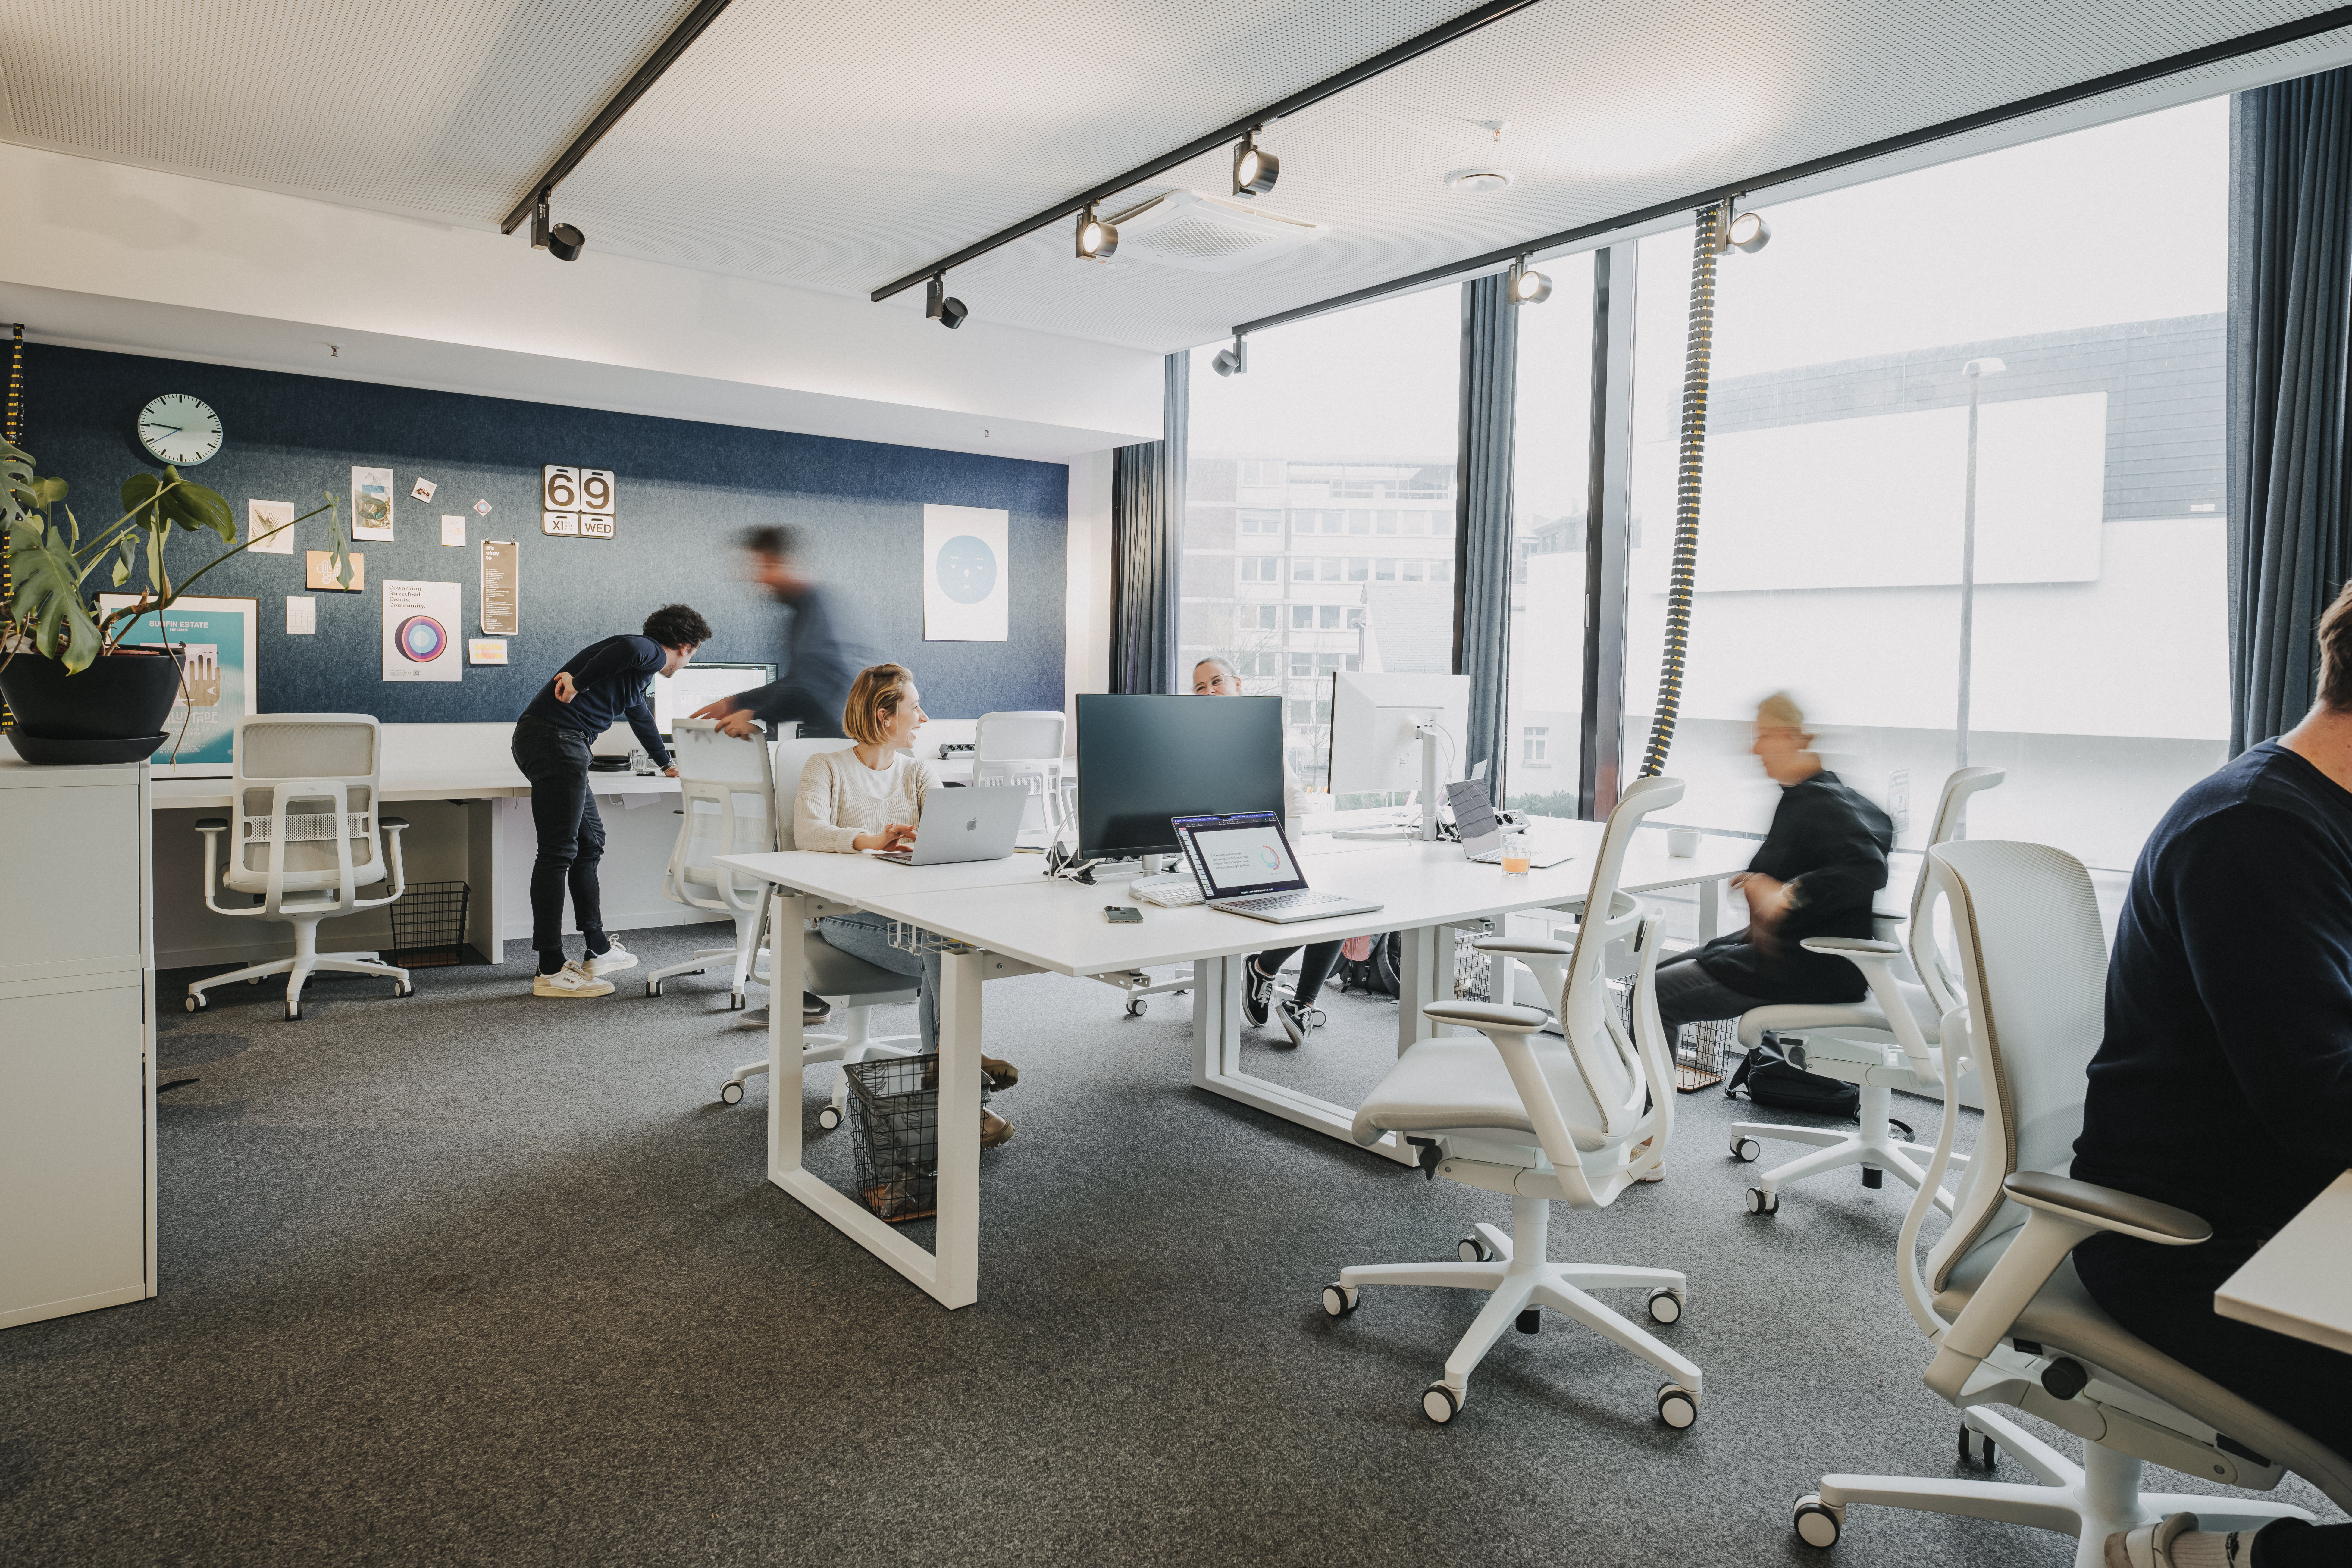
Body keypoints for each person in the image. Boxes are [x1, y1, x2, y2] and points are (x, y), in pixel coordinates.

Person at [2075, 590, 2352, 1568]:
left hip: (2291, 1223)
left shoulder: (2314, 819)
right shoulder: (2253, 832)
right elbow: (2317, 1101)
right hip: (2195, 1252)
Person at [794, 662, 1020, 1148]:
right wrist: (871, 840)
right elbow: (808, 832)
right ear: (884, 715)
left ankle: (948, 1071)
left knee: (945, 946)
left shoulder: (918, 771)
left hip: (910, 915)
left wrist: (929, 838)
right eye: (915, 708)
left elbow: (948, 832)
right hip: (844, 917)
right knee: (947, 951)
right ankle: (958, 1073)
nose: (924, 717)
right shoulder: (826, 766)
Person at [1652, 692, 1893, 1057]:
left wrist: (1790, 893)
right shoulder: (1813, 796)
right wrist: (1760, 883)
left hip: (1809, 968)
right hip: (1797, 957)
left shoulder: (1821, 802)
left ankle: (1649, 1096)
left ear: (1793, 738)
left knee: (1653, 996)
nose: (1755, 749)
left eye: (1765, 735)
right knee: (1652, 979)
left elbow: (1870, 868)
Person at [512, 604, 708, 998]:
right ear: (686, 647)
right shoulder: (646, 650)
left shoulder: (634, 676)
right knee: (557, 853)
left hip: (560, 744)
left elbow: (641, 718)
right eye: (692, 656)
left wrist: (667, 764)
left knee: (589, 843)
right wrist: (578, 684)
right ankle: (549, 968)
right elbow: (628, 650)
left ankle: (598, 948)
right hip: (557, 741)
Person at [1193, 655, 1334, 1046]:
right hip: (1231, 839)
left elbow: (1288, 790)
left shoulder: (1261, 724)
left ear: (1238, 684)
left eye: (1217, 682)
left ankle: (1294, 997)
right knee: (1314, 901)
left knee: (1335, 903)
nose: (1210, 692)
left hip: (1282, 827)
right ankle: (1266, 970)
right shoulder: (1194, 736)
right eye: (1200, 688)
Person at [696, 524, 872, 742]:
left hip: (847, 744)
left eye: (765, 567)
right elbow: (798, 682)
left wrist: (754, 715)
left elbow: (807, 689)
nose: (760, 579)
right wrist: (736, 703)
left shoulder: (821, 611)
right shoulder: (806, 611)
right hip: (837, 740)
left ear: (787, 562)